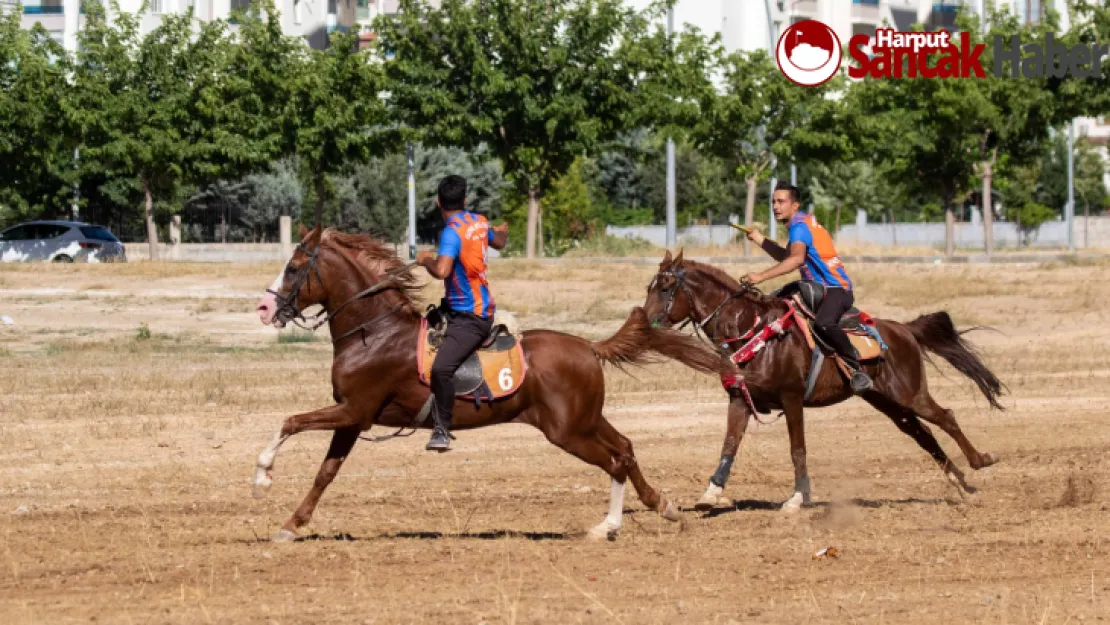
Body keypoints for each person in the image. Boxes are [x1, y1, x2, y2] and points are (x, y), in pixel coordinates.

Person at [742, 182, 873, 394]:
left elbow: (795, 260)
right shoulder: (800, 224)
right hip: (814, 288)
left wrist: (761, 276)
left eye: (781, 202)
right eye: (773, 201)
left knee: (824, 323)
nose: (775, 206)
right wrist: (759, 239)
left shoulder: (799, 227)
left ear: (795, 206)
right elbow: (788, 257)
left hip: (836, 289)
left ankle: (857, 369)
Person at [417, 175, 510, 451]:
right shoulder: (479, 221)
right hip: (459, 309)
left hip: (472, 318)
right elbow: (500, 241)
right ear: (465, 200)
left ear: (438, 202)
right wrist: (502, 230)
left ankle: (442, 429)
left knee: (442, 368)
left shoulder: (451, 232)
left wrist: (425, 260)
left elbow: (442, 271)